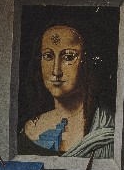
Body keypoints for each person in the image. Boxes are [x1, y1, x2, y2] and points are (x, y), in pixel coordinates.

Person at [18, 21, 115, 161]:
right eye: (48, 56)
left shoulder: (106, 129)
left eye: (68, 57)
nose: (56, 71)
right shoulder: (30, 128)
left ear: (88, 61)